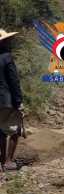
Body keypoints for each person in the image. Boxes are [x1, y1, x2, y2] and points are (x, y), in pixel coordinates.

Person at [0, 29, 24, 173]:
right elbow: (13, 81)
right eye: (8, 40)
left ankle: (1, 161)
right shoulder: (6, 57)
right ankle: (8, 161)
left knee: (0, 131)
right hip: (6, 101)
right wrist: (19, 101)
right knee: (15, 129)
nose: (10, 42)